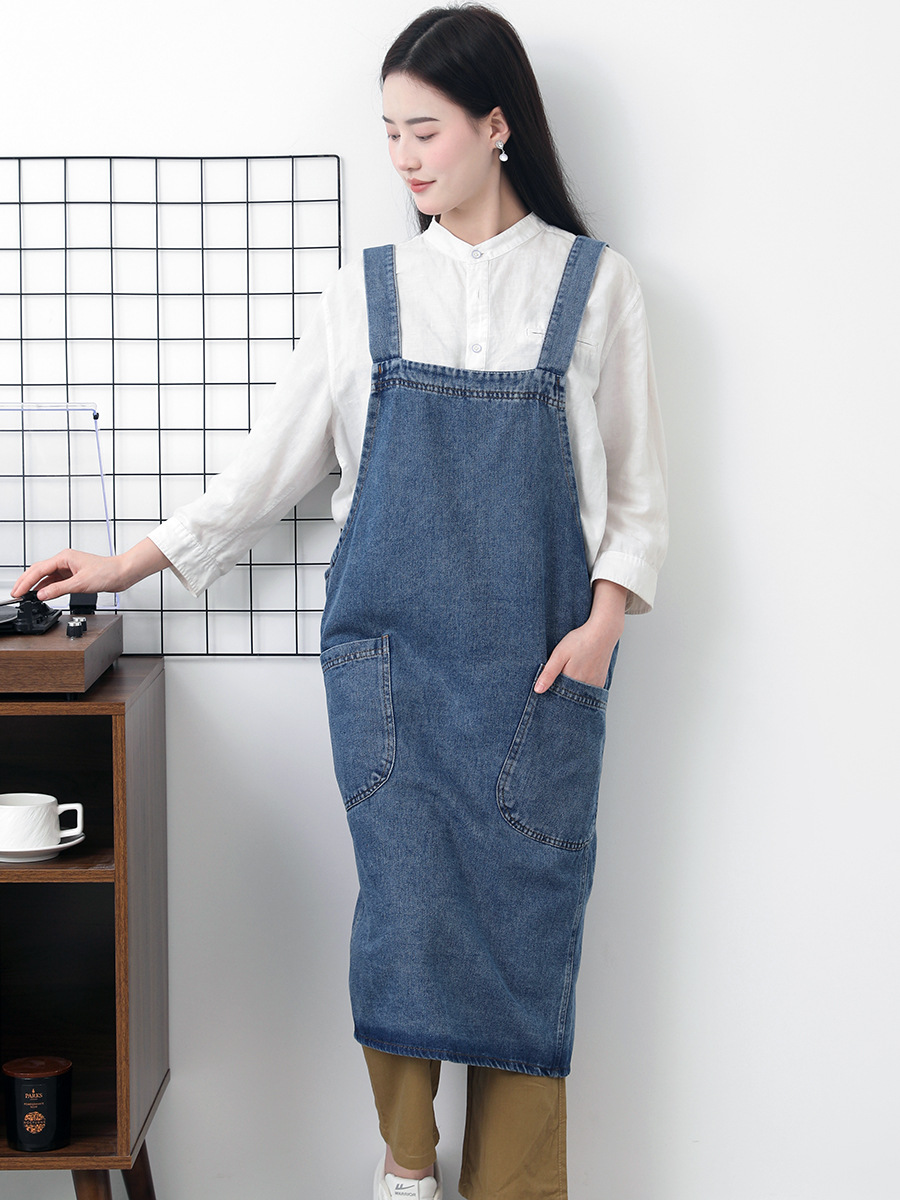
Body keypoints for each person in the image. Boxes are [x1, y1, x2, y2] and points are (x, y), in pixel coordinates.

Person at [13, 6, 667, 1198]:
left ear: (498, 126)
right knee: (404, 925)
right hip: (396, 678)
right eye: (389, 133)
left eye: (426, 129)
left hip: (539, 677)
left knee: (529, 938)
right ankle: (405, 1168)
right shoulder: (368, 294)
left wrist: (603, 623)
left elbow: (636, 493)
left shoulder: (595, 286)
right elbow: (266, 471)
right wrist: (127, 563)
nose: (404, 156)